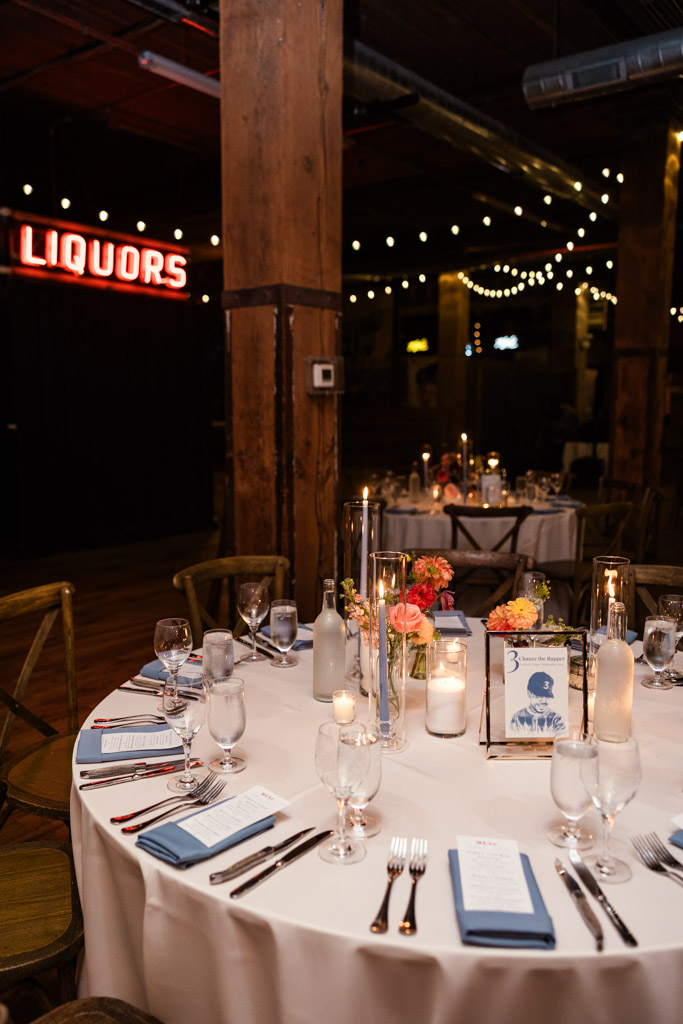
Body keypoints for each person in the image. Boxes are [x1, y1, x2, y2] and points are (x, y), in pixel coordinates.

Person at [509, 671, 566, 735]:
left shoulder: (556, 719)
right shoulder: (517, 718)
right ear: (529, 693)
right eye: (539, 696)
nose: (544, 701)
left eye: (547, 696)